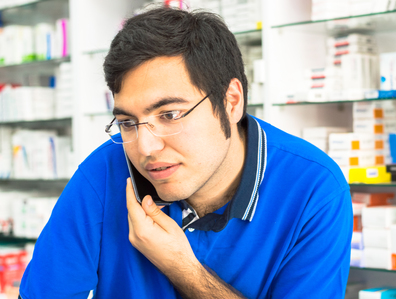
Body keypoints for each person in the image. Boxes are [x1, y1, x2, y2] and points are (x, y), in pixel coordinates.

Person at [19, 5, 352, 299]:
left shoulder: (313, 187)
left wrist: (180, 266)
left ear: (231, 101)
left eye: (170, 115)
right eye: (127, 121)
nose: (145, 147)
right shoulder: (104, 172)